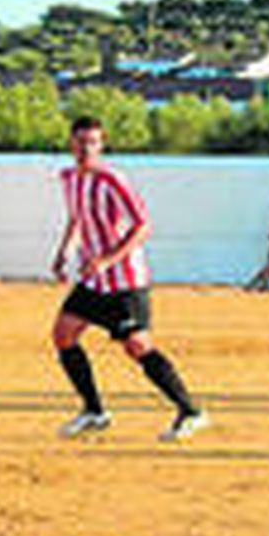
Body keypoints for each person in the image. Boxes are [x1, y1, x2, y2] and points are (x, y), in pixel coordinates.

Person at [50, 116, 207, 442]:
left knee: (137, 347)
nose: (85, 148)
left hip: (125, 281)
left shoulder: (113, 180)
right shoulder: (68, 178)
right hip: (94, 281)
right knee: (63, 334)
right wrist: (64, 250)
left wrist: (106, 260)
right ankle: (94, 410)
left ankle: (190, 411)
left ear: (101, 145)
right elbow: (76, 217)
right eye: (80, 141)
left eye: (92, 142)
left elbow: (143, 226)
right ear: (70, 143)